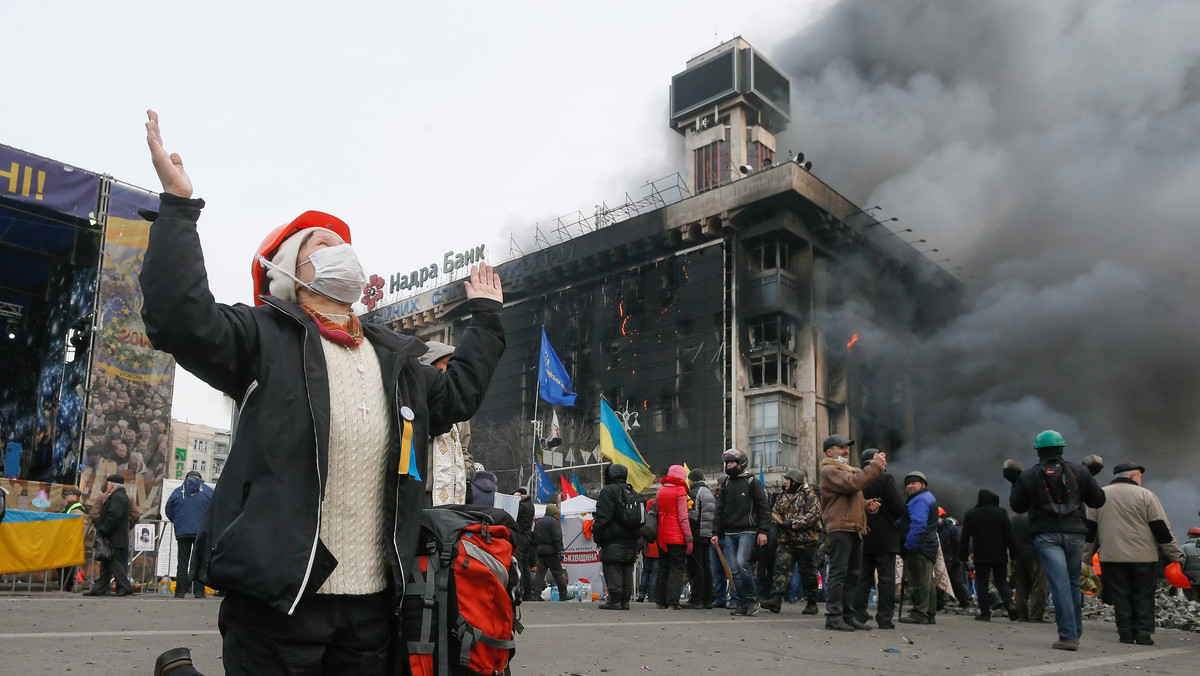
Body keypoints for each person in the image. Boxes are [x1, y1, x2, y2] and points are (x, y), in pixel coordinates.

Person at [139, 110, 505, 672]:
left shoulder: (395, 360)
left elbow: (457, 396)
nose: (341, 249)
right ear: (290, 273)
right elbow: (176, 318)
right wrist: (179, 208)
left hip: (372, 609)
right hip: (281, 602)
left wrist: (485, 320)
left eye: (344, 242)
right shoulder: (262, 339)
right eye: (323, 244)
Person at [1008, 430, 1106, 652]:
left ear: (1038, 451)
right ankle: (1074, 632)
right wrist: (1088, 478)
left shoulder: (1029, 475)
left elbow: (1018, 506)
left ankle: (1068, 636)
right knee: (1072, 583)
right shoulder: (1080, 472)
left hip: (1047, 535)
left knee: (1059, 584)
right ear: (1061, 449)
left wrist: (1014, 481)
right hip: (1075, 534)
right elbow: (1098, 500)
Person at [1085, 462, 1183, 646]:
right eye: (1139, 477)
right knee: (1144, 595)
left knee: (1121, 596)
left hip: (1111, 558)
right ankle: (1144, 634)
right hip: (1144, 558)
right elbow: (1161, 529)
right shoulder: (1147, 496)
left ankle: (1125, 634)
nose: (1141, 480)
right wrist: (1176, 556)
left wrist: (1085, 559)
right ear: (1132, 476)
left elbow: (1089, 532)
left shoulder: (1099, 495)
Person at [818, 435, 886, 631]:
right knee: (839, 573)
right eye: (841, 448)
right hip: (841, 527)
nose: (846, 451)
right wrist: (874, 466)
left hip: (853, 526)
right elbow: (853, 484)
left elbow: (847, 496)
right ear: (830, 452)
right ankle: (834, 616)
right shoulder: (830, 470)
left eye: (846, 448)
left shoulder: (844, 471)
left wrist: (865, 505)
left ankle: (848, 615)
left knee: (853, 574)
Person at [711, 448, 771, 616]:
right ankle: (743, 602)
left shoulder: (752, 482)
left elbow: (764, 508)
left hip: (748, 531)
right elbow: (719, 510)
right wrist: (716, 532)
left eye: (732, 462)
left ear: (741, 463)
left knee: (742, 564)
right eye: (727, 462)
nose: (729, 465)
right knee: (734, 570)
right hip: (729, 533)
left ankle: (752, 599)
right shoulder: (727, 484)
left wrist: (763, 531)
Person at [851, 448, 906, 629]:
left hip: (863, 535)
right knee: (886, 579)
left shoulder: (856, 479)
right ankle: (884, 617)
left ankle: (858, 613)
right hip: (885, 537)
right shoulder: (884, 478)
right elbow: (898, 506)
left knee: (863, 578)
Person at [761, 469, 823, 615]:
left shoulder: (809, 495)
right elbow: (775, 512)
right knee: (781, 569)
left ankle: (812, 602)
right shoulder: (782, 496)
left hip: (806, 541)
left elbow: (814, 515)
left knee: (807, 572)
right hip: (786, 540)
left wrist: (792, 523)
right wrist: (778, 522)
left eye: (788, 480)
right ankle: (775, 600)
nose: (785, 482)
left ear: (795, 481)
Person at [419, 341, 472, 506]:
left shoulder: (460, 409)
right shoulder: (416, 399)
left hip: (455, 498)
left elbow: (464, 448)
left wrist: (468, 469)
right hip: (423, 495)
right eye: (446, 364)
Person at [959, 489, 1016, 621]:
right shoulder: (1001, 513)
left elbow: (965, 538)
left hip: (981, 555)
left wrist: (963, 558)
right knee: (1001, 581)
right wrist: (1013, 555)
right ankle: (1010, 604)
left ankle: (985, 613)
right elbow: (1010, 536)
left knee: (982, 583)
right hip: (999, 554)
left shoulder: (971, 514)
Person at [593, 464, 640, 610]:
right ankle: (625, 601)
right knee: (627, 567)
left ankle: (614, 600)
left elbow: (603, 516)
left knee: (612, 566)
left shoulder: (609, 491)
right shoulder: (632, 491)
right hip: (631, 537)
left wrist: (597, 533)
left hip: (612, 537)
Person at [897, 471, 940, 625]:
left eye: (914, 483)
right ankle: (929, 613)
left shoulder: (920, 500)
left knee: (919, 581)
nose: (910, 486)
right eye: (908, 484)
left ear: (923, 484)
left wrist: (909, 545)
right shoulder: (926, 497)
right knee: (928, 581)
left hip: (919, 546)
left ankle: (919, 613)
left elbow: (918, 525)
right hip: (926, 545)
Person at [83, 474, 134, 597]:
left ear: (111, 485)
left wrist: (104, 529)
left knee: (113, 563)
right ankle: (98, 589)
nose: (107, 487)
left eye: (108, 485)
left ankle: (126, 587)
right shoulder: (120, 496)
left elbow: (114, 516)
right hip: (114, 536)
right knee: (107, 563)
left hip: (113, 536)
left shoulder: (118, 497)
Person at [165, 470, 214, 599]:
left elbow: (168, 510)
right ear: (201, 479)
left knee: (182, 561)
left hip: (182, 533)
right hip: (201, 532)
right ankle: (198, 592)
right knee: (200, 561)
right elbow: (215, 510)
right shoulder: (208, 492)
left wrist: (178, 522)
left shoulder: (177, 492)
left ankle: (180, 592)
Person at [654, 465, 693, 610]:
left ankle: (660, 600)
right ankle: (672, 601)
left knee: (663, 566)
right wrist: (688, 537)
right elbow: (683, 517)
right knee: (676, 568)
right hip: (676, 536)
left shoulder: (661, 491)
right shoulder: (680, 491)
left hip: (662, 535)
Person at [683, 468, 715, 609]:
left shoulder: (695, 492)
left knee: (695, 567)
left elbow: (693, 515)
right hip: (707, 533)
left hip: (696, 534)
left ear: (692, 480)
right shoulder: (709, 492)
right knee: (706, 567)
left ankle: (696, 599)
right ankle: (708, 599)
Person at [1009, 511, 1048, 621]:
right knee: (1039, 586)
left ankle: (1022, 615)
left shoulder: (1012, 518)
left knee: (1021, 587)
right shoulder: (1039, 516)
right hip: (1037, 555)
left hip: (1017, 556)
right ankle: (1036, 615)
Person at [532, 504, 574, 601]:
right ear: (555, 513)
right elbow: (557, 537)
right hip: (551, 552)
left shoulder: (539, 522)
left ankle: (536, 594)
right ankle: (563, 594)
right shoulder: (554, 522)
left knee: (540, 573)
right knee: (558, 572)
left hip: (540, 551)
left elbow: (534, 537)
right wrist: (560, 550)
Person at [58, 487, 87, 592]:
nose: (66, 496)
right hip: (66, 539)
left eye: (69, 494)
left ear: (75, 496)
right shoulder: (69, 507)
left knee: (66, 564)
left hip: (70, 539)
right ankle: (63, 585)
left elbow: (75, 524)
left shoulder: (77, 508)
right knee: (63, 563)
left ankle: (66, 585)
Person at [514, 487, 537, 602]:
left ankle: (520, 591)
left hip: (521, 538)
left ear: (521, 496)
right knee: (526, 567)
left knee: (519, 565)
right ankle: (528, 593)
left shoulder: (521, 507)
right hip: (528, 538)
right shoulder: (530, 505)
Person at [1181, 527, 1200, 602]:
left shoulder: (1184, 547)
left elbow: (1181, 561)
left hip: (1190, 580)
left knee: (1193, 603)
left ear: (1189, 536)